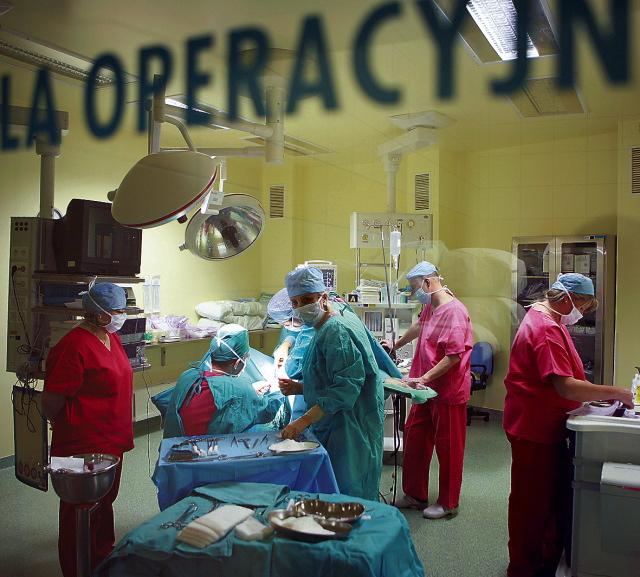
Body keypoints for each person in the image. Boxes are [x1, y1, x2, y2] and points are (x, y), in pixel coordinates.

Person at [503, 273, 633, 577]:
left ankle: (543, 560)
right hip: (533, 427)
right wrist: (617, 393)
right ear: (565, 298)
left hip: (539, 423)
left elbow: (567, 380)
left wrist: (598, 397)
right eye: (581, 306)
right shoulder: (546, 328)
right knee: (530, 504)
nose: (581, 313)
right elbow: (566, 386)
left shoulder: (548, 319)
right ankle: (523, 568)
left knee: (545, 499)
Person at [42, 283, 133, 577]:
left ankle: (102, 561)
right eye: (117, 311)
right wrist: (66, 424)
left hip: (111, 439)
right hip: (80, 444)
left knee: (104, 504)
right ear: (98, 313)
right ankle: (77, 568)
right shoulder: (73, 346)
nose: (121, 316)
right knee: (77, 512)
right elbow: (51, 401)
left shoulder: (110, 337)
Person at [279, 267, 385, 501]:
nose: (300, 307)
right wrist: (300, 388)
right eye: (295, 302)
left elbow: (346, 387)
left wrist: (303, 421)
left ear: (323, 297)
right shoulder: (323, 327)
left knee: (349, 495)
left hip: (350, 427)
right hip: (342, 421)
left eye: (307, 299)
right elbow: (330, 378)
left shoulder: (335, 331)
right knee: (337, 495)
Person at [390, 261, 473, 519]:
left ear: (428, 282)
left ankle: (448, 503)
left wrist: (424, 377)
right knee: (415, 438)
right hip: (423, 390)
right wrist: (395, 344)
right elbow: (419, 326)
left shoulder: (454, 312)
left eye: (414, 289)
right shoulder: (431, 306)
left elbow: (453, 356)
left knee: (449, 449)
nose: (414, 294)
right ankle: (415, 495)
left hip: (447, 392)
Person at [163, 324, 289, 438]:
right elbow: (267, 412)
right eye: (246, 358)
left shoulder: (187, 376)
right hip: (202, 449)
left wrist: (251, 390)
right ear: (238, 362)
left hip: (173, 444)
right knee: (266, 428)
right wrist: (280, 391)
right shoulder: (239, 389)